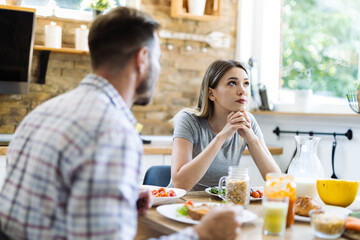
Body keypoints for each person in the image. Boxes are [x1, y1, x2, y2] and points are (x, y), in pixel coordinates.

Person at [0, 7, 243, 240]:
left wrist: (121, 200)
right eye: (157, 59)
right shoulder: (113, 131)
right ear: (142, 58)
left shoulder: (41, 113)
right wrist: (202, 235)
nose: (157, 69)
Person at [170, 60, 281, 192]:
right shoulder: (188, 120)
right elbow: (180, 185)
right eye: (232, 83)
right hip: (182, 203)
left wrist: (252, 139)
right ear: (212, 94)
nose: (242, 91)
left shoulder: (248, 121)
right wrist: (222, 137)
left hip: (221, 204)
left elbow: (277, 181)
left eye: (246, 83)